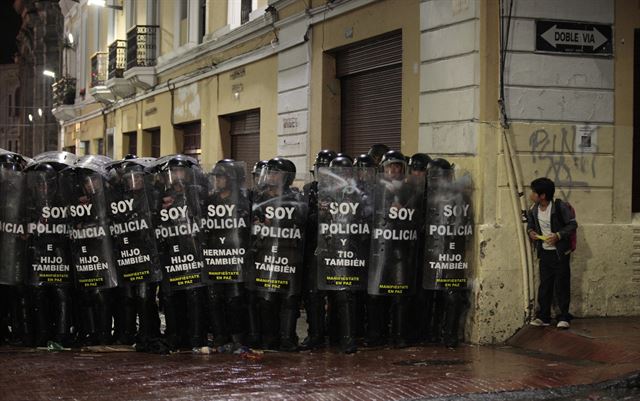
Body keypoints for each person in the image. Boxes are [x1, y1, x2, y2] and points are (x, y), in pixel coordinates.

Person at [527, 177, 577, 329]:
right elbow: (530, 225)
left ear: (542, 195)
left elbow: (572, 225)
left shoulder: (559, 206)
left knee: (561, 284)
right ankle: (544, 316)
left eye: (534, 192)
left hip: (560, 253)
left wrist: (558, 236)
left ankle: (563, 317)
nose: (531, 194)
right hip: (545, 253)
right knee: (545, 285)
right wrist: (531, 232)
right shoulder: (533, 209)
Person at [301, 150, 336, 350]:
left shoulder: (343, 191)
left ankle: (336, 332)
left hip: (337, 248)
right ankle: (315, 333)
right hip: (314, 248)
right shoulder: (308, 190)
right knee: (313, 293)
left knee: (338, 293)